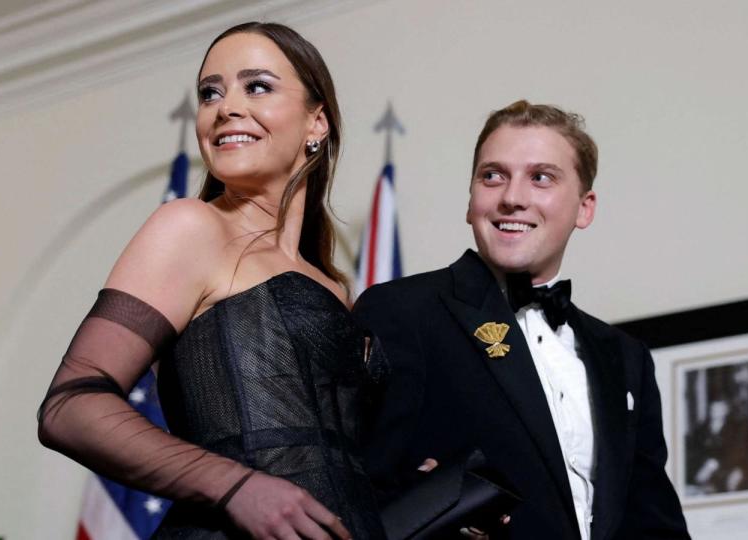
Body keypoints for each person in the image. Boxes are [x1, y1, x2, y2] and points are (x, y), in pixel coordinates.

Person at [38, 22, 385, 539]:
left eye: (258, 86)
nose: (226, 108)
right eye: (210, 93)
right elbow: (70, 406)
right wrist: (236, 485)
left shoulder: (334, 286)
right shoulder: (191, 226)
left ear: (317, 123)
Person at [354, 100, 689, 539]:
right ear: (471, 199)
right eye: (492, 176)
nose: (512, 197)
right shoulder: (403, 310)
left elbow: (653, 523)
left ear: (584, 208)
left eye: (541, 178)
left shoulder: (626, 358)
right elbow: (351, 488)